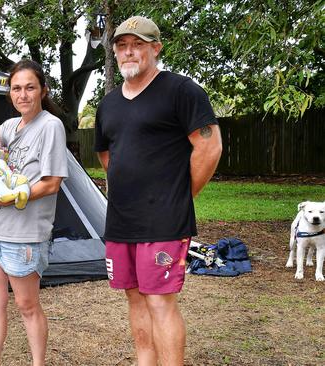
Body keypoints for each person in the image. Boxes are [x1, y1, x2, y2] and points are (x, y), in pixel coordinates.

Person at [94, 16, 222, 365]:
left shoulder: (181, 91)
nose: (129, 52)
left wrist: (180, 196)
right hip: (121, 220)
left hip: (163, 220)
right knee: (134, 298)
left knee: (159, 301)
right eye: (122, 46)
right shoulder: (109, 105)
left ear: (155, 48)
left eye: (137, 45)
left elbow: (209, 147)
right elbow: (107, 155)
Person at [0, 59, 68, 366]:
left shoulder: (51, 126)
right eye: (17, 88)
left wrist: (9, 199)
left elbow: (52, 184)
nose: (23, 95)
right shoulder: (7, 127)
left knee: (27, 305)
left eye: (30, 88)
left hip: (24, 235)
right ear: (10, 92)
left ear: (43, 90)